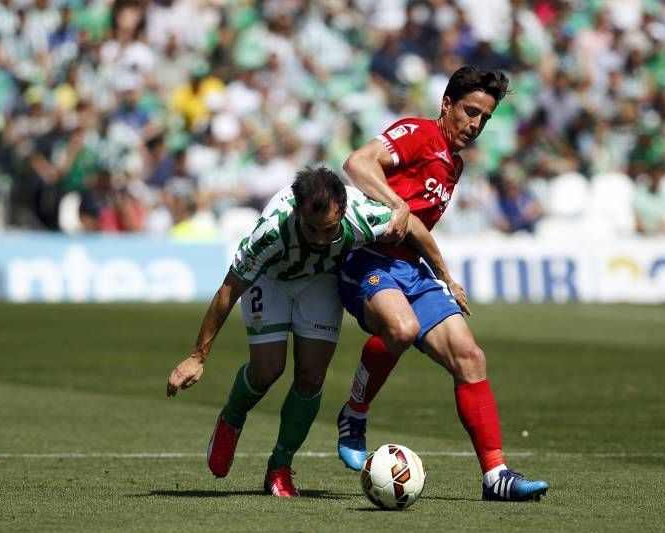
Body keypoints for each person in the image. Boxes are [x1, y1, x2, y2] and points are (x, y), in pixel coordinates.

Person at [166, 166, 461, 497]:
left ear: (342, 211)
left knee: (311, 378)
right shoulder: (271, 232)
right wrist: (197, 356)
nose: (321, 239)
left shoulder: (362, 214)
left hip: (320, 283)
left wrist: (445, 277)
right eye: (312, 229)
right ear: (296, 210)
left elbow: (413, 227)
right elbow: (228, 290)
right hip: (272, 281)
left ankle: (279, 467)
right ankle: (232, 418)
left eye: (329, 230)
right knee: (267, 370)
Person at [335, 66, 549, 501]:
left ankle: (496, 476)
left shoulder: (454, 163)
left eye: (485, 119)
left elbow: (416, 229)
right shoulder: (416, 132)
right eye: (470, 112)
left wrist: (445, 277)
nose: (476, 125)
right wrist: (395, 202)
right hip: (366, 260)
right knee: (401, 329)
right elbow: (356, 163)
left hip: (412, 269)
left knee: (470, 356)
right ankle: (355, 411)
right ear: (447, 104)